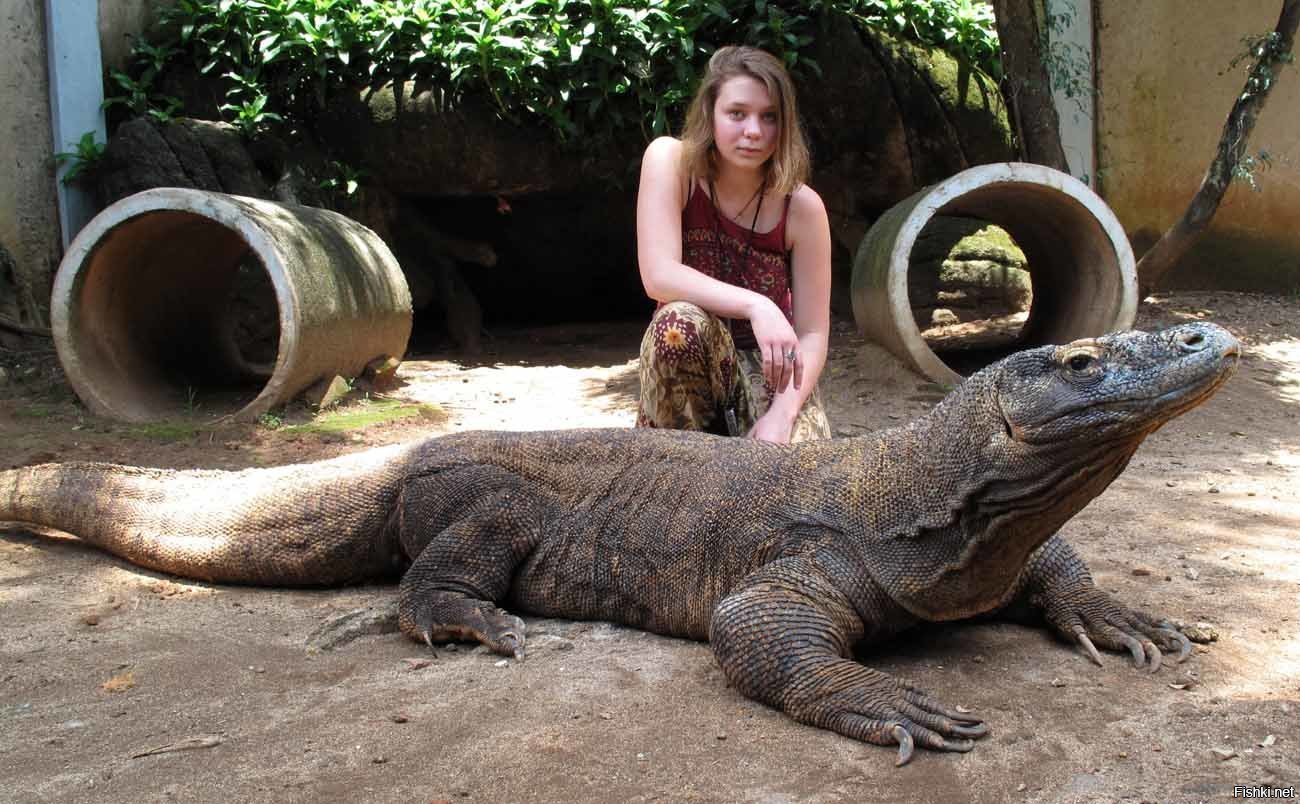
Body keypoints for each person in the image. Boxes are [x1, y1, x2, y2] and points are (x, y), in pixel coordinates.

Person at [634, 45, 833, 445]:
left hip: (772, 370)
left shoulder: (802, 206)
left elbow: (812, 333)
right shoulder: (671, 162)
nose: (754, 131)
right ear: (711, 113)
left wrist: (782, 413)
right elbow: (658, 275)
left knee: (801, 481)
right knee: (677, 325)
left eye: (769, 117)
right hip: (686, 359)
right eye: (737, 113)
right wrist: (758, 305)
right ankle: (679, 470)